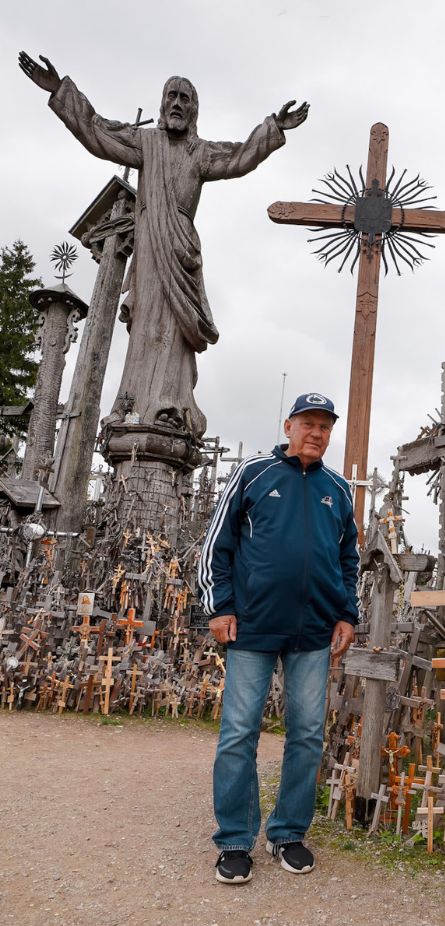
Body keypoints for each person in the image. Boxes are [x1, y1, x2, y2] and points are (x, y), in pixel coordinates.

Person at [19, 51, 308, 438]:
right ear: (161, 104)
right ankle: (135, 402)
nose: (176, 104)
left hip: (180, 252)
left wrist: (274, 128)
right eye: (170, 96)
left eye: (184, 99)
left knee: (173, 332)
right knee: (145, 328)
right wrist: (60, 91)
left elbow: (240, 157)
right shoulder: (145, 143)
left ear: (194, 111)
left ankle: (172, 403)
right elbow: (97, 131)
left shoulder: (201, 152)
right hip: (151, 253)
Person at [197, 393, 359, 884]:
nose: (316, 433)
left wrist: (347, 614)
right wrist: (219, 605)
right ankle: (234, 839)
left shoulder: (338, 489)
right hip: (252, 624)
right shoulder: (254, 474)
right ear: (287, 425)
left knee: (307, 734)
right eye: (307, 423)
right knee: (239, 733)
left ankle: (287, 833)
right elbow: (216, 544)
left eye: (325, 427)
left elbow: (349, 559)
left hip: (313, 630)